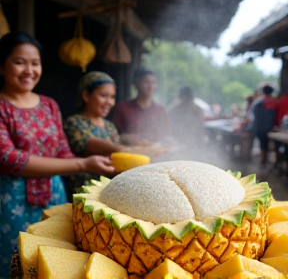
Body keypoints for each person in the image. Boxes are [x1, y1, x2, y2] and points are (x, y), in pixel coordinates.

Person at [0, 32, 114, 278]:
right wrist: (82, 163)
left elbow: (62, 149)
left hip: (54, 195)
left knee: (53, 262)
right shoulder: (1, 106)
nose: (29, 70)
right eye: (20, 62)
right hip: (10, 203)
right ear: (2, 66)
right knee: (15, 264)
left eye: (35, 63)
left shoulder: (49, 105)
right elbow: (8, 158)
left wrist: (95, 164)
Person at [63, 71, 122, 200]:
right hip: (81, 192)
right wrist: (122, 149)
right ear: (86, 95)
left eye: (112, 97)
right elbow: (86, 144)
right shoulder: (73, 122)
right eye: (103, 96)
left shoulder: (109, 126)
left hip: (108, 193)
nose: (110, 102)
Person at [113, 67, 172, 146]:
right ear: (136, 83)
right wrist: (125, 138)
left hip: (158, 154)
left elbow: (167, 135)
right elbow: (112, 137)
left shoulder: (161, 110)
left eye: (154, 83)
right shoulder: (122, 108)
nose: (151, 86)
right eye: (146, 82)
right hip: (131, 155)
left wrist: (168, 141)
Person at [168, 86, 205, 155]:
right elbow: (170, 127)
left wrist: (200, 143)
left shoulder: (197, 109)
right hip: (178, 142)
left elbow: (200, 128)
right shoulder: (175, 109)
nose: (184, 100)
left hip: (194, 143)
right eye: (183, 97)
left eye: (186, 98)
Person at [252, 84, 277, 165]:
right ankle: (265, 162)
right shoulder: (273, 102)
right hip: (267, 128)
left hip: (258, 127)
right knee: (266, 145)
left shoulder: (258, 102)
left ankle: (263, 162)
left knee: (263, 145)